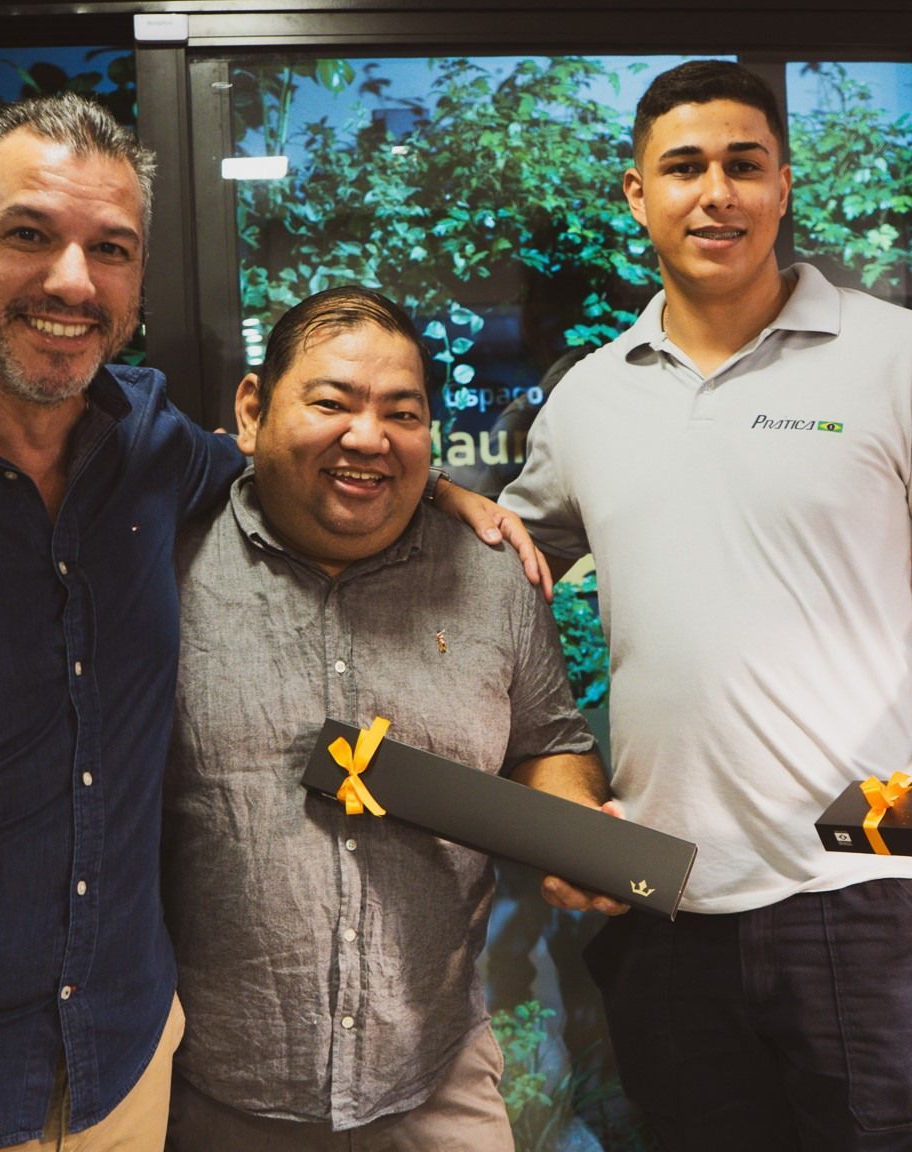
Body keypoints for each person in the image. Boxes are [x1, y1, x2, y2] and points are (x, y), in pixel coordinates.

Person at [0, 93, 547, 1152]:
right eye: (29, 235)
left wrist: (438, 493)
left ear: (138, 280)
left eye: (111, 249)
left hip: (122, 1083)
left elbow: (313, 459)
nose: (70, 280)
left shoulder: (149, 447)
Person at [500, 58, 912, 1151]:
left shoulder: (901, 359)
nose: (717, 193)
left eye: (745, 165)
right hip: (664, 899)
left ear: (785, 185)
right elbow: (501, 574)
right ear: (637, 196)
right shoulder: (591, 397)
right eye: (683, 168)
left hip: (869, 891)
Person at [160, 285, 610, 1152]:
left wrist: (576, 829)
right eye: (331, 402)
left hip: (439, 1083)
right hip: (213, 1090)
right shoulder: (163, 563)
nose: (368, 436)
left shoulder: (491, 578)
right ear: (251, 409)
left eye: (402, 413)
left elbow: (550, 738)